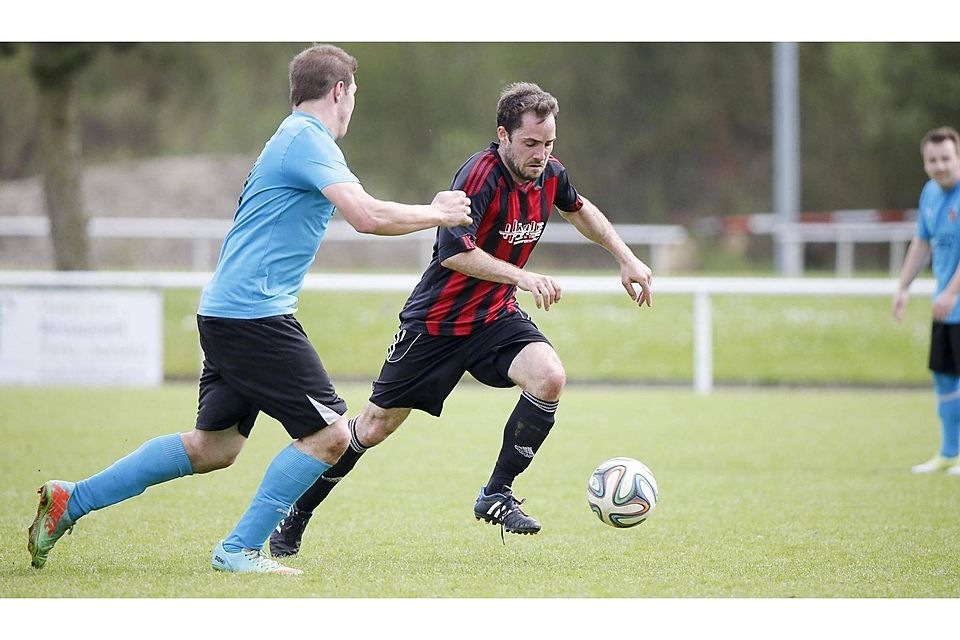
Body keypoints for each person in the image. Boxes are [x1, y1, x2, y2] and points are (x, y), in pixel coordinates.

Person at [26, 44, 472, 575]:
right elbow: (368, 216)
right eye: (354, 94)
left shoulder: (293, 139)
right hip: (252, 317)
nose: (354, 106)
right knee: (330, 435)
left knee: (214, 447)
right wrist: (437, 212)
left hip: (230, 311)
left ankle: (69, 500)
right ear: (339, 91)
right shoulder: (308, 140)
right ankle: (238, 550)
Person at [269, 81, 653, 557]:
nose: (540, 154)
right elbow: (454, 254)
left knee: (549, 376)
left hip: (494, 318)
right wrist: (524, 277)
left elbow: (580, 209)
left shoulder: (549, 174)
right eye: (531, 143)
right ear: (503, 135)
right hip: (436, 325)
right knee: (372, 428)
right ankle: (295, 514)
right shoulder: (479, 176)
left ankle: (496, 493)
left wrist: (626, 257)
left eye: (548, 143)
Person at [893, 126, 960, 475]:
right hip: (945, 307)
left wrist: (951, 292)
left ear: (958, 157)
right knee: (944, 377)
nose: (940, 166)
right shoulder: (930, 194)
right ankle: (949, 452)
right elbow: (921, 243)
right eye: (932, 160)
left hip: (954, 301)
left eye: (946, 158)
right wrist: (903, 286)